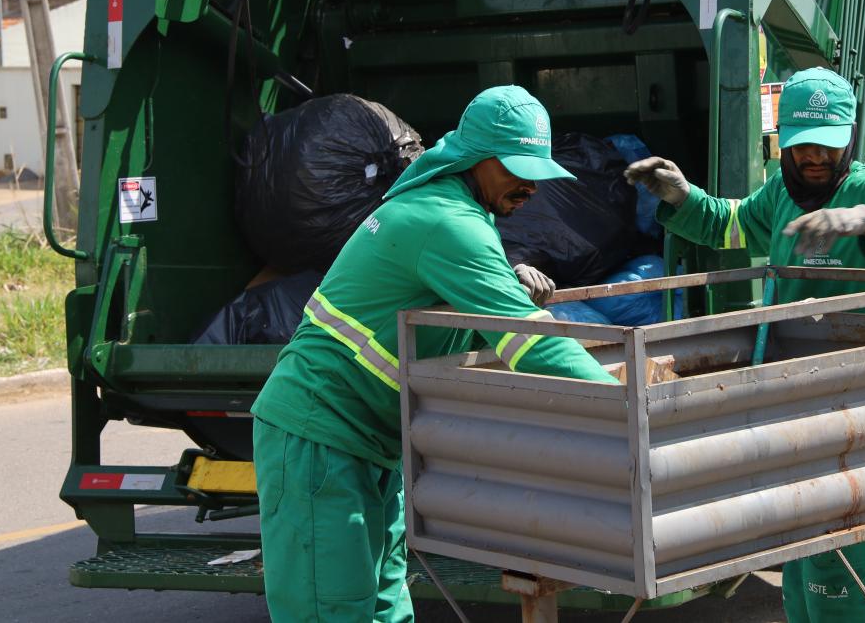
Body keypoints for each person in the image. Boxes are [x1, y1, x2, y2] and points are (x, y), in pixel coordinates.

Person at [252, 85, 618, 622]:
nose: (531, 187)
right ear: (476, 158)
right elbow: (532, 344)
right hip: (319, 433)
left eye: (536, 171)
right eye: (517, 169)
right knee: (332, 611)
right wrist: (629, 404)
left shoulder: (457, 212)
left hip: (368, 441)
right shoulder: (449, 223)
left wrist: (497, 287)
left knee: (385, 608)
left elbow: (441, 315)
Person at [624, 67, 865, 623]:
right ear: (781, 142)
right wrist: (686, 198)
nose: (814, 157)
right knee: (796, 559)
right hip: (790, 403)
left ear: (851, 140)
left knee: (846, 567)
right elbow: (733, 225)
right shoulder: (780, 193)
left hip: (860, 411)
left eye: (827, 146)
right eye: (802, 145)